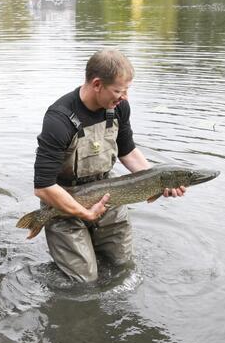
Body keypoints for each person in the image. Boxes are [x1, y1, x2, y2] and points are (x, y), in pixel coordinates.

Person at [33, 48, 186, 282]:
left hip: (108, 194)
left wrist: (159, 180)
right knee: (84, 281)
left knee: (123, 268)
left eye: (127, 90)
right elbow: (43, 187)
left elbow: (128, 150)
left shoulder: (119, 108)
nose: (124, 97)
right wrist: (84, 213)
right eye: (118, 90)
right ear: (97, 84)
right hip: (62, 201)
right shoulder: (59, 119)